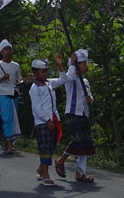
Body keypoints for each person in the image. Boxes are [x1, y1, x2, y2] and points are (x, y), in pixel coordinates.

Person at [54, 49, 96, 183]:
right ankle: (61, 160)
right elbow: (70, 77)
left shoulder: (85, 81)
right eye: (83, 64)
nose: (86, 66)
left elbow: (90, 96)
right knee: (78, 140)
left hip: (83, 114)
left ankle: (80, 173)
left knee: (86, 143)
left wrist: (90, 99)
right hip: (73, 113)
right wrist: (72, 64)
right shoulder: (69, 78)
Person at [29, 57, 63, 186]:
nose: (45, 74)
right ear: (35, 73)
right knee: (45, 148)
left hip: (53, 119)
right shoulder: (34, 88)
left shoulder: (49, 84)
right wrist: (47, 120)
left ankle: (41, 169)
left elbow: (63, 79)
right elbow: (36, 108)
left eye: (46, 71)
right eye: (42, 71)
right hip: (43, 122)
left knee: (51, 146)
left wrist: (60, 66)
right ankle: (45, 175)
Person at [0, 39, 22, 154]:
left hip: (14, 93)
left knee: (14, 118)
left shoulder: (16, 65)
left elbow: (18, 79)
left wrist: (19, 84)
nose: (8, 51)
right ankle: (9, 144)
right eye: (5, 49)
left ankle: (8, 142)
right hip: (3, 93)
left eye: (9, 49)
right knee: (6, 118)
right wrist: (2, 79)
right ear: (1, 51)